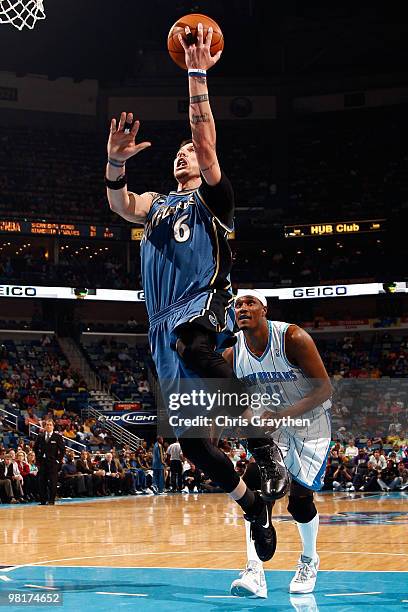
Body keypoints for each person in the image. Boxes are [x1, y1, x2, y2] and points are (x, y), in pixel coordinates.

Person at [105, 23, 283, 561]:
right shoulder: (156, 204)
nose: (184, 155)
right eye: (177, 153)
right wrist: (115, 161)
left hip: (201, 305)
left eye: (189, 152)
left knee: (196, 345)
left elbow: (204, 139)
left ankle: (263, 446)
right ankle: (252, 505)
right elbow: (119, 204)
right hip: (159, 323)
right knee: (192, 445)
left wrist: (196, 74)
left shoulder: (213, 200)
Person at [223, 291, 332, 598]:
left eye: (250, 303)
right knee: (257, 483)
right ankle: (254, 570)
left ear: (264, 309)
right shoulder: (231, 352)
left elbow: (325, 389)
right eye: (238, 305)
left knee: (299, 502)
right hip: (271, 423)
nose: (243, 308)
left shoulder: (292, 337)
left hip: (310, 422)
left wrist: (282, 414)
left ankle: (310, 559)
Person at [33, 419, 65, 505]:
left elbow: (62, 450)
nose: (48, 426)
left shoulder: (57, 437)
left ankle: (51, 500)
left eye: (50, 425)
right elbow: (35, 448)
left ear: (53, 426)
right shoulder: (40, 436)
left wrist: (58, 460)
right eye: (47, 425)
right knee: (42, 482)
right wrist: (38, 458)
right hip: (43, 463)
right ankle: (43, 501)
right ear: (45, 426)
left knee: (53, 482)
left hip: (53, 463)